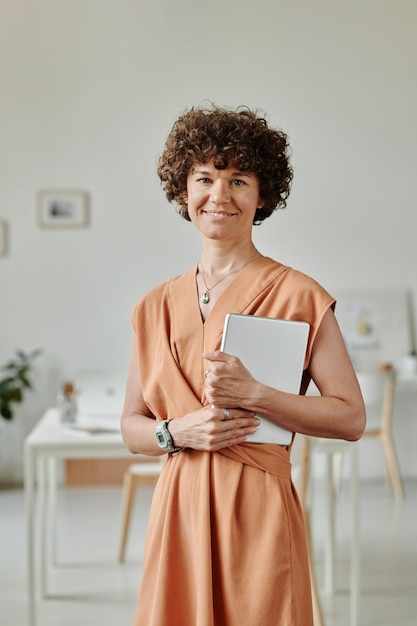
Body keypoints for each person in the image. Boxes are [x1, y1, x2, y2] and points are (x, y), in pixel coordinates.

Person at [121, 104, 366, 626]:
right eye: (204, 177)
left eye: (239, 179)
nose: (220, 195)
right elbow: (131, 427)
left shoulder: (300, 294)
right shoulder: (153, 307)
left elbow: (351, 417)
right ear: (184, 190)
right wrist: (177, 431)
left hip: (258, 509)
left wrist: (255, 395)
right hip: (178, 509)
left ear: (262, 194)